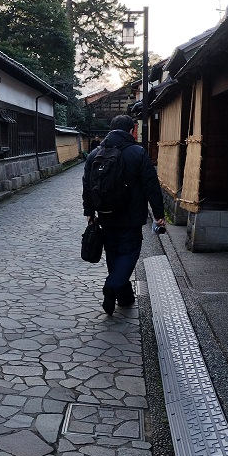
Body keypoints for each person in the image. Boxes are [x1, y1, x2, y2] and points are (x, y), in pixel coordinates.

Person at [82, 114, 166, 315]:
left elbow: (87, 185)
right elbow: (151, 186)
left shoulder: (95, 154)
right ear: (132, 130)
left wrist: (89, 211)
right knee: (129, 253)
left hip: (106, 214)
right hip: (131, 215)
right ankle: (112, 286)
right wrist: (158, 214)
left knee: (113, 254)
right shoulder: (137, 153)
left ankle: (124, 296)